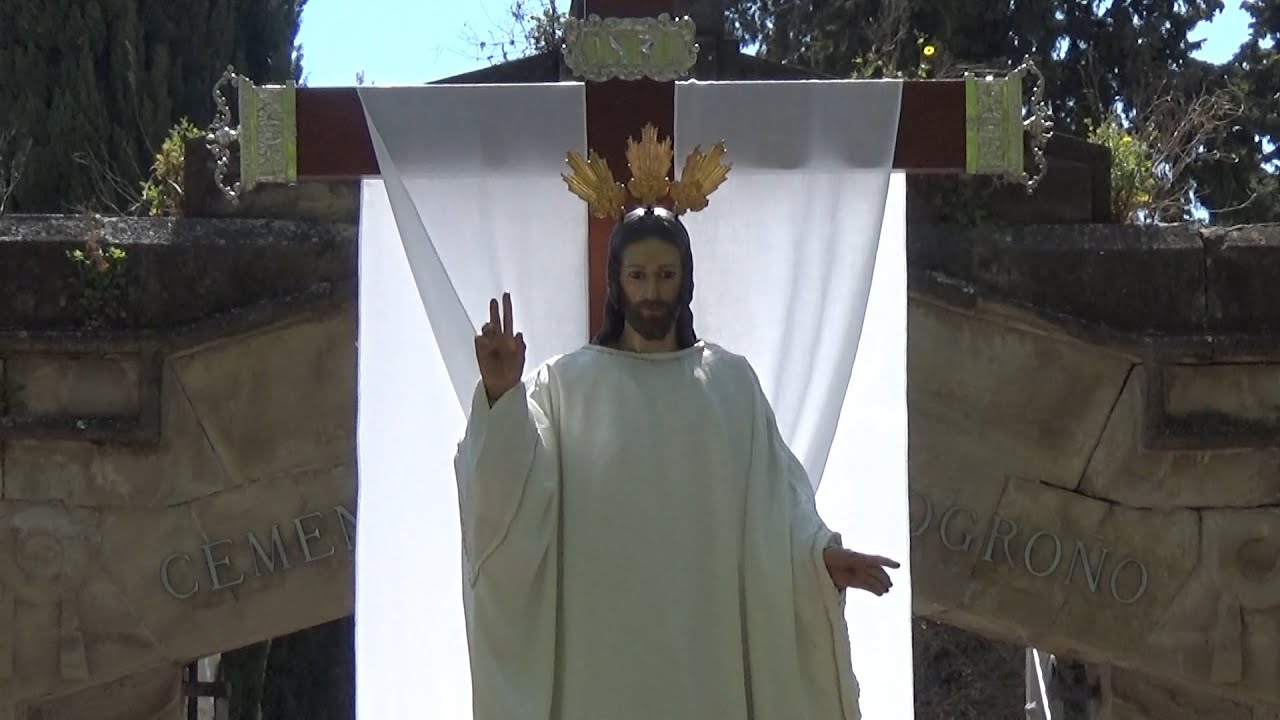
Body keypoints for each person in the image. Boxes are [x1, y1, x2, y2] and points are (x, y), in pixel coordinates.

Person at [454, 204, 900, 720]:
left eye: (666, 275)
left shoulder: (731, 388)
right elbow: (507, 506)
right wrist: (501, 394)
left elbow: (779, 509)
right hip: (599, 666)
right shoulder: (565, 389)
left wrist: (817, 558)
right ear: (616, 284)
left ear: (687, 282)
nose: (651, 291)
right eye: (638, 275)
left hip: (705, 662)